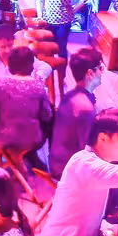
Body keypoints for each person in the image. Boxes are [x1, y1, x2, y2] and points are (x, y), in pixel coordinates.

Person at [0, 44, 53, 171]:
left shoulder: (1, 84)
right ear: (31, 65)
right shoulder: (38, 86)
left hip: (5, 139)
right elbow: (47, 115)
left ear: (10, 65)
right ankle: (36, 160)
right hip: (32, 140)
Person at [49, 46, 104, 178]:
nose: (102, 73)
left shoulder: (70, 95)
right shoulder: (85, 108)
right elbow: (87, 149)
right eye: (101, 69)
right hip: (67, 169)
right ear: (90, 73)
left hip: (57, 162)